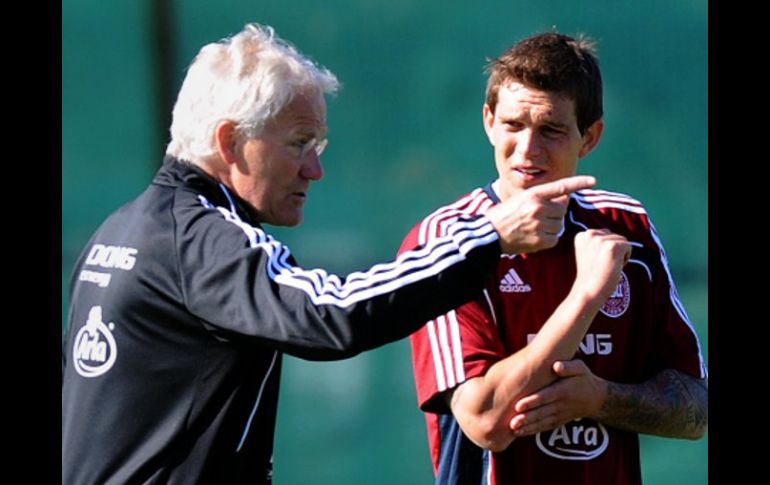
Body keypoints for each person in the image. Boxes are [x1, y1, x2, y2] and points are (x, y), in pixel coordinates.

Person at [60, 23, 600, 484]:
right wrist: (489, 237)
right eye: (299, 142)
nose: (314, 169)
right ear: (229, 142)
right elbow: (332, 312)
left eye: (318, 146)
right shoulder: (201, 237)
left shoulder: (123, 230)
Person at [399, 32, 708, 484]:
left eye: (551, 130)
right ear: (488, 120)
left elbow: (695, 411)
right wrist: (586, 296)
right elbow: (486, 420)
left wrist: (601, 398)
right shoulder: (446, 241)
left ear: (590, 137)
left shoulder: (627, 228)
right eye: (512, 125)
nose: (528, 150)